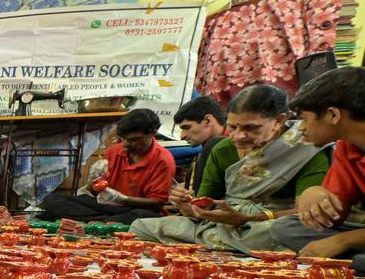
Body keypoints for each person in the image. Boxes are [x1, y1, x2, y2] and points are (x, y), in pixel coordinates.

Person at [131, 85, 330, 254]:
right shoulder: (223, 149)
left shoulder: (306, 148)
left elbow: (304, 213)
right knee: (140, 226)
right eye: (233, 127)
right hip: (221, 224)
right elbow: (204, 207)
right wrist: (186, 206)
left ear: (278, 120)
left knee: (283, 231)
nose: (238, 136)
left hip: (265, 224)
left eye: (251, 128)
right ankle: (228, 246)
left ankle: (220, 245)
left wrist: (248, 218)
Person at [270, 67, 365, 271]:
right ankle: (354, 261)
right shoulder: (347, 147)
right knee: (285, 228)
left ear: (332, 114)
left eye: (305, 118)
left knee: (351, 255)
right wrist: (314, 195)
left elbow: (339, 236)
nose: (301, 127)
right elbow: (335, 216)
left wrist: (341, 242)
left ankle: (352, 260)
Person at [40, 109, 176, 223]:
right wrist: (90, 186)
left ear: (152, 133)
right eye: (123, 139)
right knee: (51, 200)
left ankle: (98, 221)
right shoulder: (115, 151)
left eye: (133, 140)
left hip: (134, 210)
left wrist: (124, 199)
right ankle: (107, 222)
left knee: (146, 216)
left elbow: (157, 203)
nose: (125, 144)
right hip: (107, 207)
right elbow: (99, 191)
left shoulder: (163, 160)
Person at [171, 96, 226, 197]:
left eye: (187, 127)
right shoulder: (206, 147)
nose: (182, 136)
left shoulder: (217, 145)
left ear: (208, 121)